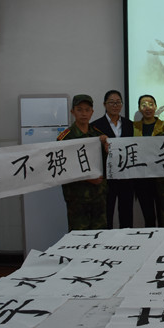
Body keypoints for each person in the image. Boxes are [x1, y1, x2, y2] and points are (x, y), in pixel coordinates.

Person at [57, 94, 108, 231]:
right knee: (78, 236)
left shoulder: (98, 135)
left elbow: (107, 163)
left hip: (98, 196)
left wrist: (108, 148)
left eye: (87, 110)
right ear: (72, 112)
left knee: (100, 234)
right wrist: (88, 178)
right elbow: (64, 168)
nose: (84, 113)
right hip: (77, 198)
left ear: (92, 112)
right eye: (79, 109)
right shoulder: (65, 138)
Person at [91, 90, 135, 229]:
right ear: (104, 104)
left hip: (126, 176)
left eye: (118, 102)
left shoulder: (129, 124)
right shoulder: (95, 126)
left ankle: (126, 239)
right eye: (111, 102)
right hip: (106, 177)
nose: (115, 105)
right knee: (106, 213)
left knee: (126, 214)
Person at [132, 94, 164, 227]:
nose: (148, 108)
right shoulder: (133, 127)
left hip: (162, 178)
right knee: (148, 217)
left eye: (151, 104)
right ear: (139, 108)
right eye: (144, 105)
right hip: (142, 179)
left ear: (156, 107)